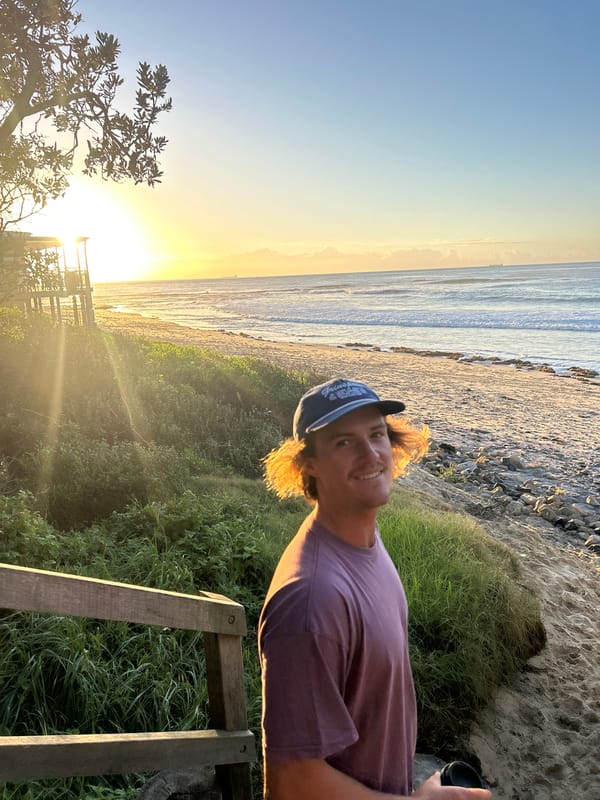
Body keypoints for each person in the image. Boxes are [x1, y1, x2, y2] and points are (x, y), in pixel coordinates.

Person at [258, 378, 492, 800]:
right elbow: (292, 784)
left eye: (377, 434)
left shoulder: (361, 536)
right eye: (344, 442)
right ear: (308, 463)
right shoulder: (311, 601)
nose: (371, 454)